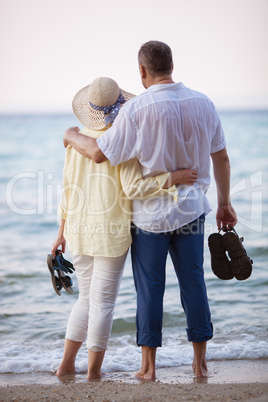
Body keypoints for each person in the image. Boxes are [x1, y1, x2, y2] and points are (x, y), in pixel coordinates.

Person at [63, 41, 237, 380]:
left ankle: (148, 368)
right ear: (171, 65)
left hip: (149, 218)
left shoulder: (136, 110)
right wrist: (224, 203)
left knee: (150, 289)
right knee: (194, 283)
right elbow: (222, 157)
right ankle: (200, 364)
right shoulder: (205, 102)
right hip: (192, 211)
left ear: (142, 71)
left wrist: (71, 135)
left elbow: (99, 153)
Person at [51, 76, 197, 380]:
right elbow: (134, 189)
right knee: (102, 302)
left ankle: (65, 366)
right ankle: (93, 372)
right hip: (110, 232)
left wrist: (61, 230)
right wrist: (172, 178)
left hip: (77, 229)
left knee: (85, 299)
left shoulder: (75, 139)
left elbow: (67, 189)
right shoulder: (123, 140)